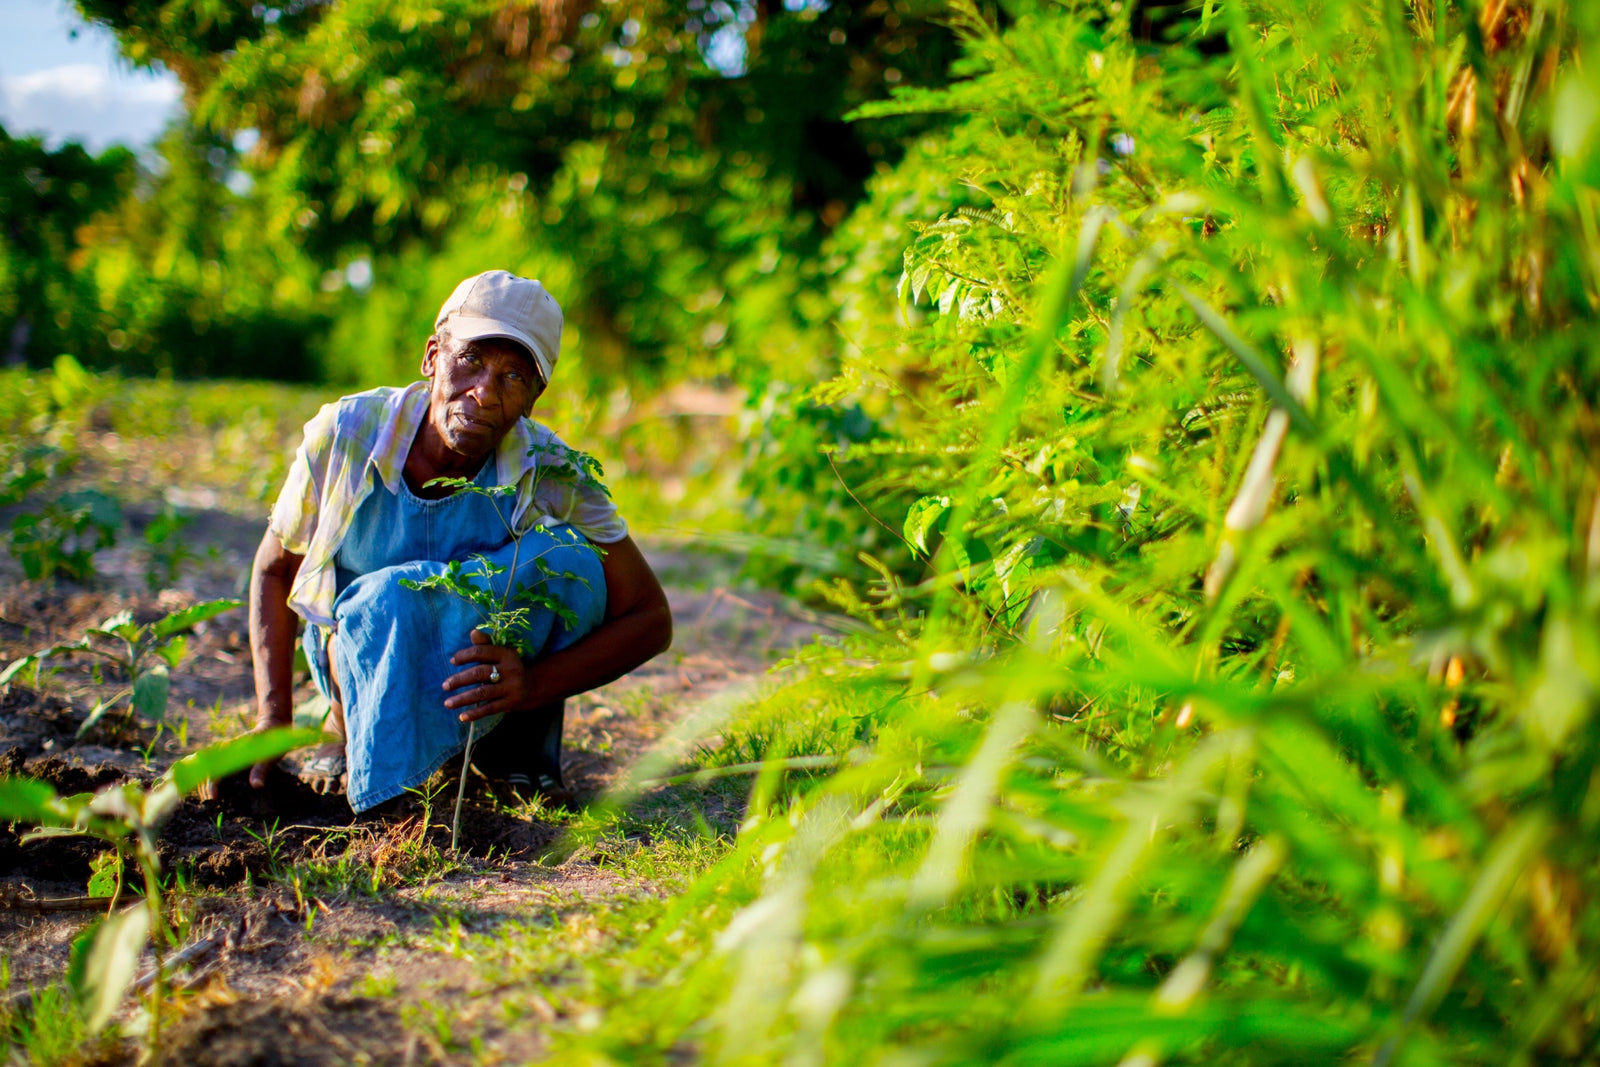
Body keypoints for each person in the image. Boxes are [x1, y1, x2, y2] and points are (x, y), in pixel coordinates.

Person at [245, 270, 672, 811]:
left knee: (570, 561)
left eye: (513, 378)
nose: (484, 394)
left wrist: (533, 685)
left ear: (534, 399)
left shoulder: (549, 468)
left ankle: (516, 741)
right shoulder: (348, 434)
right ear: (431, 357)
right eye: (469, 360)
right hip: (357, 656)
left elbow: (650, 617)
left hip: (488, 684)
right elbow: (275, 569)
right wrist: (272, 719)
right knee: (389, 601)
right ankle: (346, 728)